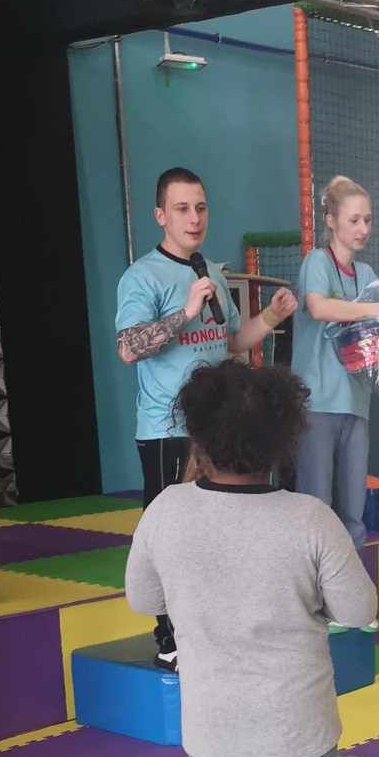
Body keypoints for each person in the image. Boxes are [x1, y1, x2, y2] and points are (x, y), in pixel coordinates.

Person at [124, 359, 377, 757]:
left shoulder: (167, 511)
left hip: (214, 717)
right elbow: (360, 610)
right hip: (297, 717)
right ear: (285, 439)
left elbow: (142, 598)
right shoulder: (310, 517)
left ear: (197, 438)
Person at [116, 166, 297, 666]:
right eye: (181, 208)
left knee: (220, 532)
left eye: (200, 207)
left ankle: (214, 625)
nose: (193, 218)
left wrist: (271, 317)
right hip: (166, 429)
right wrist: (184, 313)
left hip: (216, 428)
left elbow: (231, 341)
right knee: (171, 533)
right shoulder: (143, 276)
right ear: (160, 215)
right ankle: (169, 637)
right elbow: (128, 348)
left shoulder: (211, 272)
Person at [293, 175, 379, 550]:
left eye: (368, 220)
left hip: (355, 403)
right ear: (331, 220)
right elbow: (319, 307)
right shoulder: (317, 262)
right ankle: (311, 577)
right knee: (316, 503)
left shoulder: (366, 276)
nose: (363, 228)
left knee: (353, 507)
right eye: (354, 220)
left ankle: (352, 577)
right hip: (317, 402)